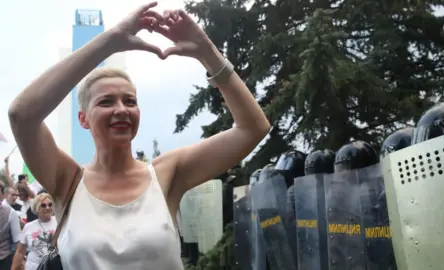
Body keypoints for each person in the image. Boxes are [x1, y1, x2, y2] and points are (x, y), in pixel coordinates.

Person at [8, 3, 270, 270]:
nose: (121, 109)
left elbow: (253, 128)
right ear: (83, 119)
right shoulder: (67, 180)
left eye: (130, 101)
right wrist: (109, 42)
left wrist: (207, 52)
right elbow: (22, 115)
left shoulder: (167, 173)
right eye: (106, 102)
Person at [11, 193, 57, 270]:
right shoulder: (28, 227)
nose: (48, 207)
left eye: (50, 204)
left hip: (55, 266)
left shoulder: (59, 221)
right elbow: (20, 252)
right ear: (37, 208)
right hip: (34, 267)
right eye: (43, 205)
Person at [0, 186, 21, 270]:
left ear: (2, 195)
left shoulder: (10, 213)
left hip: (4, 261)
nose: (15, 197)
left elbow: (18, 242)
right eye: (13, 195)